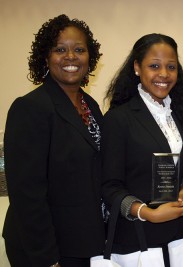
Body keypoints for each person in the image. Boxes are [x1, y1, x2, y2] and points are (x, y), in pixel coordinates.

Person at [2, 14, 105, 267]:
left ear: (89, 57)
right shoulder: (30, 108)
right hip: (46, 247)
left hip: (82, 241)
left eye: (79, 50)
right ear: (46, 57)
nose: (71, 57)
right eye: (60, 49)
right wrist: (46, 258)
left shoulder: (89, 105)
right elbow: (27, 193)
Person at [101, 33, 183, 267]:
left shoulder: (181, 116)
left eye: (170, 67)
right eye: (154, 66)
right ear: (136, 67)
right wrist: (146, 212)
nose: (163, 74)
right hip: (135, 235)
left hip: (174, 233)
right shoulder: (119, 119)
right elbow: (109, 186)